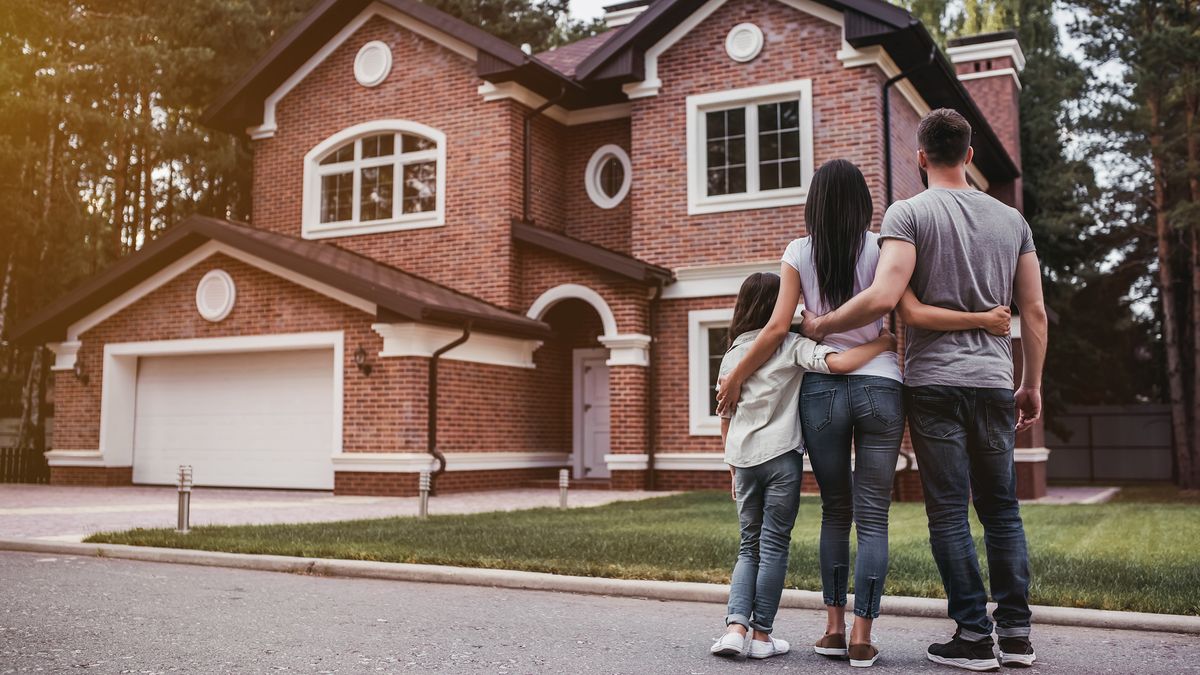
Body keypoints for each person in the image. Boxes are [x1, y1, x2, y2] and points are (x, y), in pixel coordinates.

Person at [715, 159, 1011, 668]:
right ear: (864, 204)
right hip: (880, 387)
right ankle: (861, 637)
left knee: (836, 511)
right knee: (873, 518)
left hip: (823, 393)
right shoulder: (884, 247)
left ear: (813, 203)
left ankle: (831, 630)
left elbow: (776, 329)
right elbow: (906, 308)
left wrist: (738, 374)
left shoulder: (797, 251)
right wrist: (888, 339)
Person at [798, 109, 1049, 671]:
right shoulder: (1013, 221)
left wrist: (822, 324)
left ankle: (973, 636)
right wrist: (1030, 383)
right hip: (992, 382)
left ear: (919, 157)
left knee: (950, 514)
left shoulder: (908, 214)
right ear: (970, 154)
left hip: (934, 383)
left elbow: (887, 297)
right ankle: (1016, 635)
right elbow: (1032, 309)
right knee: (1002, 510)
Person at [710, 271, 896, 660]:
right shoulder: (793, 346)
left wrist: (731, 468)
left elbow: (725, 416)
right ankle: (761, 637)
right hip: (781, 461)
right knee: (774, 545)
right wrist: (882, 343)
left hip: (742, 462)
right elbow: (841, 363)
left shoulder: (731, 355)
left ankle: (734, 629)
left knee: (749, 546)